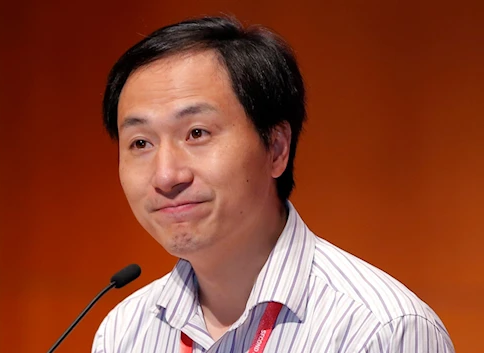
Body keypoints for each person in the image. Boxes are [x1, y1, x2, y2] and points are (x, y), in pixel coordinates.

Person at [93, 15, 455, 353]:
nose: (166, 176)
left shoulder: (382, 330)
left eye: (197, 133)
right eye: (141, 143)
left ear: (276, 148)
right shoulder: (124, 332)